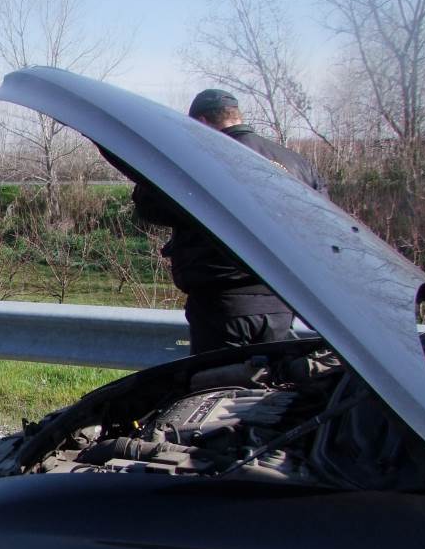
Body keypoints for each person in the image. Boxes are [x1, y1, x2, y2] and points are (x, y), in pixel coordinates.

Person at [135, 88, 328, 355]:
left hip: (222, 303)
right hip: (281, 301)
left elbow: (151, 208)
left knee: (217, 387)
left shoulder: (196, 161)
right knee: (271, 389)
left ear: (201, 122)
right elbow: (322, 226)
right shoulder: (294, 163)